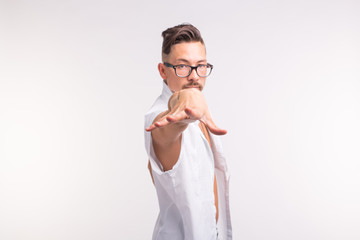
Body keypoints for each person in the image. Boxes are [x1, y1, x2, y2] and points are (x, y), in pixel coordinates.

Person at [144, 23, 232, 240]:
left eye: (201, 66)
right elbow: (166, 131)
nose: (194, 76)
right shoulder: (162, 118)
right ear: (163, 71)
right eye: (182, 66)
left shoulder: (200, 117)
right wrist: (185, 98)